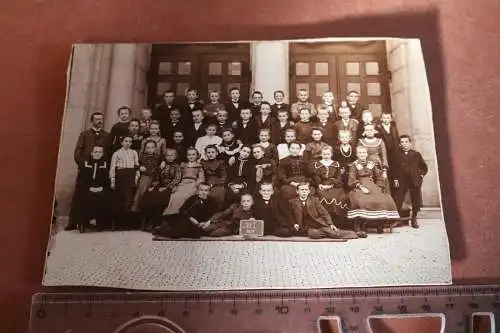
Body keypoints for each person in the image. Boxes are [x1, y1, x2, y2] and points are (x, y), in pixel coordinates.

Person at [67, 112, 112, 231]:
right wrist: (84, 165)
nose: (99, 121)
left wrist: (105, 166)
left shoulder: (107, 136)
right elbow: (78, 152)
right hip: (87, 170)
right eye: (97, 119)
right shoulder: (84, 134)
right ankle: (75, 222)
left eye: (101, 119)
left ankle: (101, 222)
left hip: (102, 170)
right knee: (79, 196)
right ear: (92, 121)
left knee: (103, 195)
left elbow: (109, 152)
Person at [347, 146, 400, 234]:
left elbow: (378, 177)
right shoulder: (354, 165)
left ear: (367, 154)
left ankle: (379, 224)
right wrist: (361, 187)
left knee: (384, 199)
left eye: (364, 152)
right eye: (360, 153)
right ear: (357, 154)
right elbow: (351, 179)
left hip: (372, 185)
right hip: (359, 186)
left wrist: (379, 186)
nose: (362, 154)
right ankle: (363, 225)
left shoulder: (372, 164)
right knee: (361, 200)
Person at [289, 183, 362, 239]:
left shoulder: (314, 200)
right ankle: (329, 232)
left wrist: (330, 224)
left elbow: (324, 213)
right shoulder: (292, 202)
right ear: (297, 191)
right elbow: (290, 215)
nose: (304, 192)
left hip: (318, 223)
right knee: (313, 234)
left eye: (306, 190)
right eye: (302, 190)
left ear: (308, 191)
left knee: (334, 234)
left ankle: (355, 234)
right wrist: (294, 223)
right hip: (307, 226)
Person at [311, 146, 351, 229]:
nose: (326, 156)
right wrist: (320, 185)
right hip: (322, 185)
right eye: (324, 154)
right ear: (321, 154)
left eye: (328, 154)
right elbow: (316, 176)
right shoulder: (317, 164)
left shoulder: (336, 164)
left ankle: (337, 222)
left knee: (339, 197)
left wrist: (332, 185)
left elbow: (339, 177)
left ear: (331, 154)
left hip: (334, 185)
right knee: (323, 197)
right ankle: (325, 222)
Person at [393, 135, 428, 229]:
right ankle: (399, 219)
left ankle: (414, 219)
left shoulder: (416, 154)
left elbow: (424, 167)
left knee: (415, 199)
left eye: (406, 142)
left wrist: (420, 175)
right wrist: (395, 179)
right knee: (398, 198)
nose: (404, 144)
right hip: (402, 180)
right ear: (400, 144)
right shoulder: (397, 155)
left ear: (410, 143)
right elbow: (394, 169)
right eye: (402, 142)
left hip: (414, 180)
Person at [141, 148, 181, 230]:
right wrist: (153, 186)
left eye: (171, 155)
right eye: (167, 155)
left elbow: (177, 179)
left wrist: (166, 187)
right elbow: (157, 177)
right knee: (148, 195)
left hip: (169, 187)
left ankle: (156, 223)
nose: (169, 157)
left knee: (159, 199)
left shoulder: (177, 167)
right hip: (160, 185)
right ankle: (148, 220)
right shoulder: (162, 165)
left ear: (175, 157)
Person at [75, 145, 112, 232]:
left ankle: (100, 222)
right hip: (87, 188)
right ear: (91, 153)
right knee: (84, 198)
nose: (97, 154)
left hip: (101, 188)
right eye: (95, 152)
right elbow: (81, 180)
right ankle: (83, 222)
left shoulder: (106, 164)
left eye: (100, 152)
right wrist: (89, 188)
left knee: (104, 198)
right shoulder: (85, 164)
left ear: (102, 154)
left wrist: (101, 188)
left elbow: (107, 180)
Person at [109, 135, 140, 229]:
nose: (128, 143)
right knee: (120, 199)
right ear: (121, 142)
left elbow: (136, 167)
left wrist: (136, 178)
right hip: (120, 176)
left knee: (128, 199)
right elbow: (112, 168)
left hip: (130, 176)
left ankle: (126, 224)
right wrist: (113, 180)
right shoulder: (116, 153)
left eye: (130, 141)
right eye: (126, 141)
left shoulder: (134, 153)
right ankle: (118, 223)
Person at [163, 147, 204, 215]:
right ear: (187, 156)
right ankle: (171, 214)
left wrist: (197, 184)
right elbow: (177, 175)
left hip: (192, 183)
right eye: (189, 155)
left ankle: (179, 214)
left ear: (197, 156)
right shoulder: (183, 165)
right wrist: (175, 185)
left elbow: (201, 178)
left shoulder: (199, 166)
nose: (191, 156)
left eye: (193, 155)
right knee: (175, 195)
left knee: (185, 195)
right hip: (182, 183)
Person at [131, 140, 162, 216]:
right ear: (145, 148)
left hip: (155, 177)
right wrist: (139, 167)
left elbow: (161, 165)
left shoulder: (158, 157)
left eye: (152, 147)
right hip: (145, 175)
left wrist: (162, 163)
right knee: (142, 188)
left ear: (155, 148)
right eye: (148, 147)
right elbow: (136, 165)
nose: (150, 149)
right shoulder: (142, 156)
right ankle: (137, 210)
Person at [357, 124, 390, 193]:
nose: (369, 132)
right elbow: (358, 155)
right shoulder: (361, 141)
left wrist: (384, 170)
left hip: (378, 165)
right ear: (364, 132)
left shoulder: (380, 141)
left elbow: (384, 156)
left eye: (371, 130)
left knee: (380, 183)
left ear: (375, 131)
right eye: (367, 130)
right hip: (365, 167)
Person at [376, 112, 401, 197]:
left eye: (388, 118)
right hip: (385, 153)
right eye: (384, 118)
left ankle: (396, 196)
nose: (386, 119)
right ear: (381, 119)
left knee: (395, 174)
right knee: (387, 173)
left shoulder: (394, 128)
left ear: (391, 119)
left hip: (394, 154)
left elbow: (397, 140)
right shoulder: (378, 128)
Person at [201, 145, 227, 209]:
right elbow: (202, 175)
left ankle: (215, 212)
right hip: (206, 182)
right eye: (208, 153)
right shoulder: (203, 162)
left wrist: (215, 183)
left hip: (217, 183)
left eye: (213, 152)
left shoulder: (220, 162)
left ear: (216, 153)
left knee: (217, 193)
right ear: (206, 154)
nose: (210, 154)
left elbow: (223, 176)